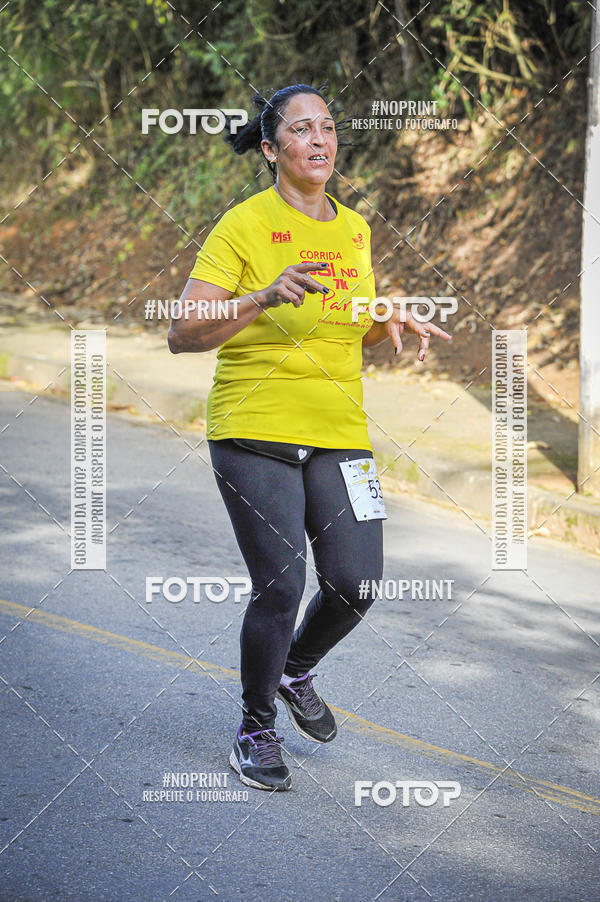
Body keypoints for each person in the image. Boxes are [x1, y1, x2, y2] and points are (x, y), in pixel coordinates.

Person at [168, 84, 451, 792]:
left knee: (357, 582)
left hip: (339, 430)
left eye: (328, 128)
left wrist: (386, 325)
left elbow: (348, 328)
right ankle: (255, 727)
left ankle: (296, 669)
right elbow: (182, 334)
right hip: (253, 429)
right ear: (272, 150)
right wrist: (262, 295)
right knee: (282, 584)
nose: (321, 140)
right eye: (302, 130)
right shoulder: (242, 225)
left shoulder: (354, 229)